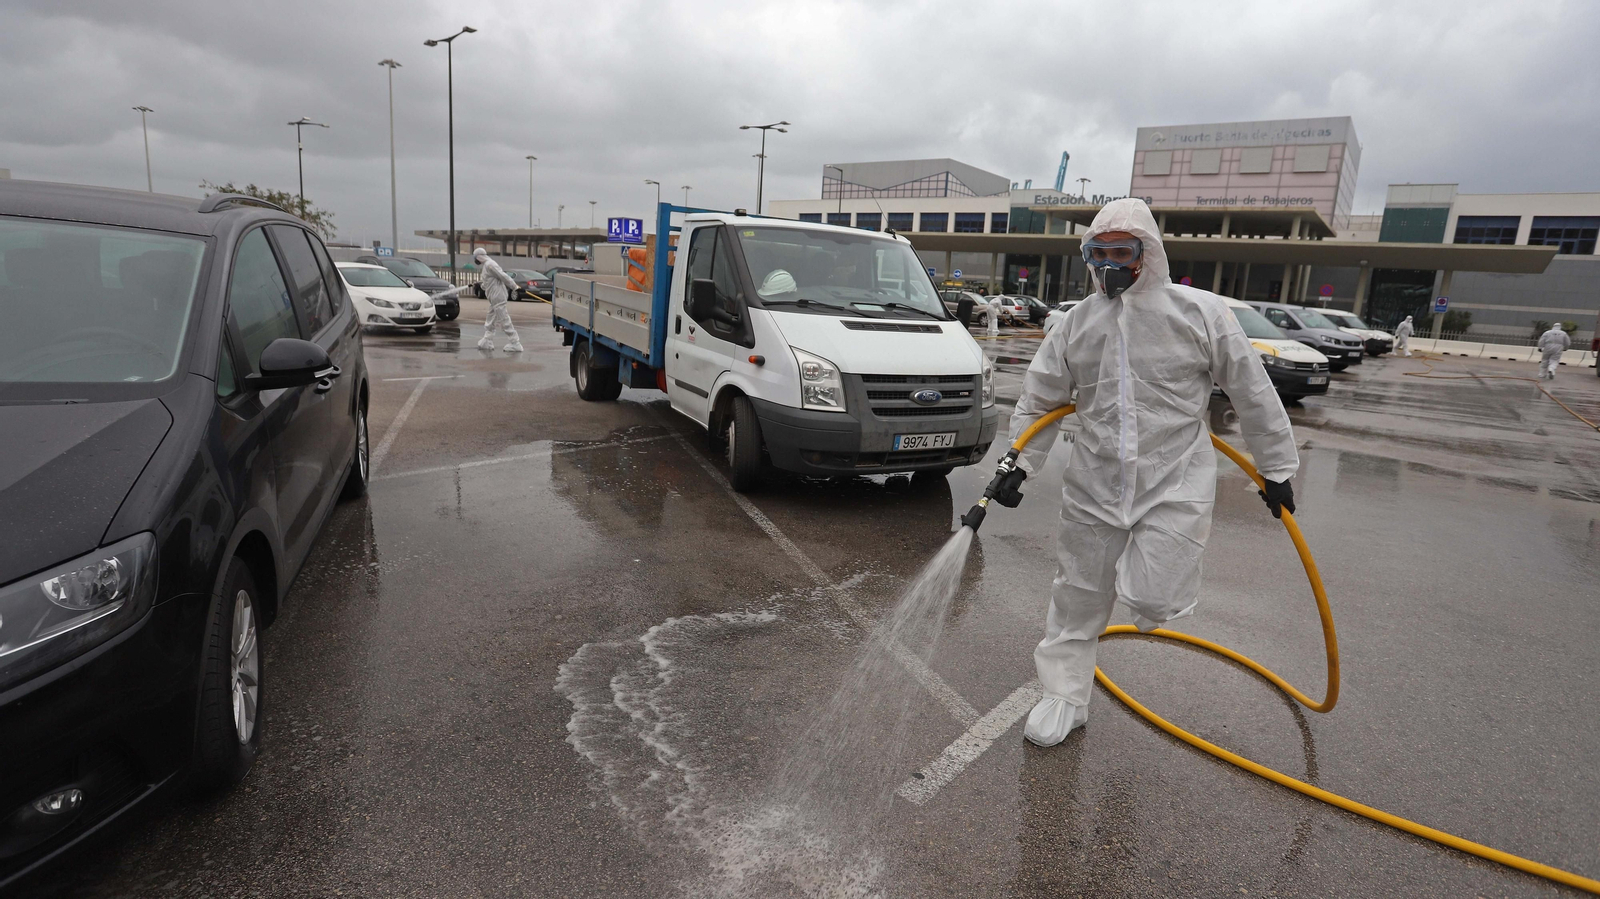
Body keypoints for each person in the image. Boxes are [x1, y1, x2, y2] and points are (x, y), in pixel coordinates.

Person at [1003, 198, 1301, 747]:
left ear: (1149, 253)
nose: (1109, 263)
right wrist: (1018, 464)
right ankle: (1065, 696)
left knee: (1153, 597)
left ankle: (1141, 605)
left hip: (1175, 479)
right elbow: (1041, 397)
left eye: (1122, 251)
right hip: (1094, 481)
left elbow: (1252, 391)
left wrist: (1276, 468)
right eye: (1099, 252)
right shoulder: (1076, 323)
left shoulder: (1200, 313)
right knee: (1077, 593)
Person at [474, 247, 523, 352]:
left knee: (504, 319)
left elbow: (503, 276)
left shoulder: (490, 265)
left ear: (478, 257)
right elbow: (489, 282)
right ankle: (487, 340)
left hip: (498, 297)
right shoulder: (486, 266)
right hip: (494, 298)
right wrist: (481, 285)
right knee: (490, 319)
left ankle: (515, 343)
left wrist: (514, 286)